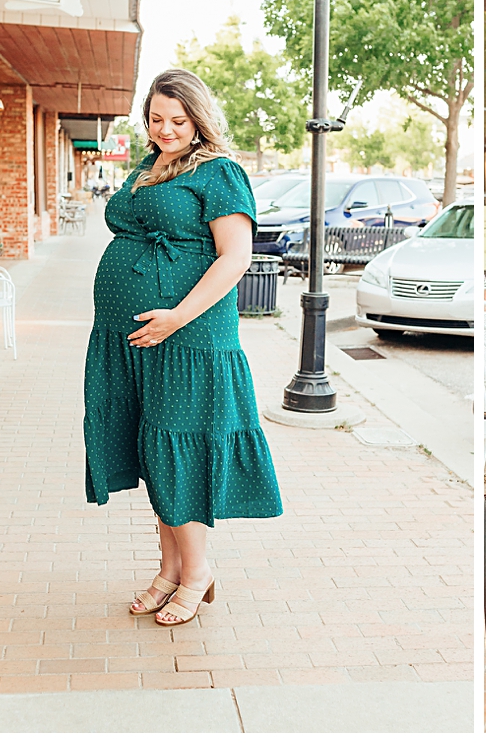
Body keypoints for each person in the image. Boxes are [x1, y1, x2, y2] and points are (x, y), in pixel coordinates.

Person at [83, 68, 283, 627]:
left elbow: (235, 258)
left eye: (177, 120)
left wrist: (173, 318)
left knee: (180, 452)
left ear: (198, 119)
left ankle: (198, 572)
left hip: (188, 337)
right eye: (155, 118)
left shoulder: (219, 172)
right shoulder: (148, 168)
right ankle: (170, 569)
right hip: (131, 340)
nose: (165, 129)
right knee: (153, 450)